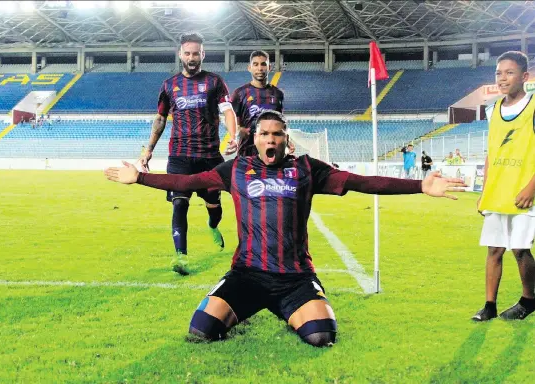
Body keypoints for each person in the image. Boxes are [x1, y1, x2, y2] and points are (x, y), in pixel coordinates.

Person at [105, 110, 467, 347]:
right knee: (202, 330)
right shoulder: (236, 169)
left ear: (286, 139)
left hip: (294, 278)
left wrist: (419, 185)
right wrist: (140, 178)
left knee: (322, 336)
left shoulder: (308, 169)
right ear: (256, 138)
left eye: (278, 134)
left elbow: (360, 181)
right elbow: (189, 181)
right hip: (246, 274)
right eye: (265, 134)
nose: (271, 140)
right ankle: (243, 310)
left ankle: (289, 310)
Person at [138, 32, 238, 276]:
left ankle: (213, 226)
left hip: (209, 157)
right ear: (180, 54)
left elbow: (227, 111)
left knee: (214, 207)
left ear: (202, 54)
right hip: (179, 156)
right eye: (187, 53)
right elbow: (161, 118)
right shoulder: (169, 85)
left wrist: (233, 136)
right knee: (179, 204)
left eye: (196, 53)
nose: (192, 58)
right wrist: (148, 150)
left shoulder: (215, 82)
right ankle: (180, 256)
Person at [473, 51, 535, 322]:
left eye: (509, 73)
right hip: (498, 192)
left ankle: (529, 299)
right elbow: (490, 153)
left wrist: (532, 187)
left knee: (520, 249)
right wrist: (485, 192)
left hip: (524, 192)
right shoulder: (494, 109)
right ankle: (489, 305)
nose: (502, 78)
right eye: (499, 73)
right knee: (494, 249)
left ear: (525, 76)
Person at [231, 50, 287, 157]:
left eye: (263, 64)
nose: (260, 68)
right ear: (249, 68)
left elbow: (281, 123)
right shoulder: (240, 93)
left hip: (271, 151)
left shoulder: (278, 94)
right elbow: (228, 119)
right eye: (255, 64)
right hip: (247, 152)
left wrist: (287, 140)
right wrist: (238, 130)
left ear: (269, 67)